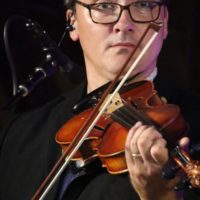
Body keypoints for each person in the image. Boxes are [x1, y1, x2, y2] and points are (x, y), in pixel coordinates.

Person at [0, 0, 200, 199]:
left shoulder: (190, 124)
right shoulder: (18, 137)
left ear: (164, 21)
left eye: (143, 5)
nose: (124, 23)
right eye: (104, 6)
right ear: (73, 22)